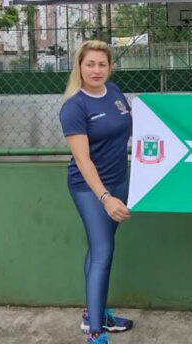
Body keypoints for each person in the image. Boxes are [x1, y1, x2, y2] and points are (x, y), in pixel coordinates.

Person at [59, 40, 136, 344]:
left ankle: (95, 313)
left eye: (102, 64)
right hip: (89, 188)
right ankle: (95, 334)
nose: (96, 70)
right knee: (103, 252)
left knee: (98, 248)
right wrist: (105, 198)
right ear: (79, 66)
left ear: (110, 67)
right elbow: (83, 159)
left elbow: (132, 125)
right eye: (90, 64)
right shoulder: (74, 107)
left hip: (119, 181)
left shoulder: (115, 93)